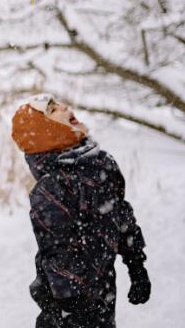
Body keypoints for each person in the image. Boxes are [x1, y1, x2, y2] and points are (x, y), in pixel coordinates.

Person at [11, 94, 151, 328]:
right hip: (66, 301)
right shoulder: (53, 186)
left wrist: (136, 263)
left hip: (102, 289)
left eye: (60, 104)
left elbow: (120, 214)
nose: (65, 107)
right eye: (53, 110)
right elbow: (57, 249)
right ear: (46, 131)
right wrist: (72, 303)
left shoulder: (101, 164)